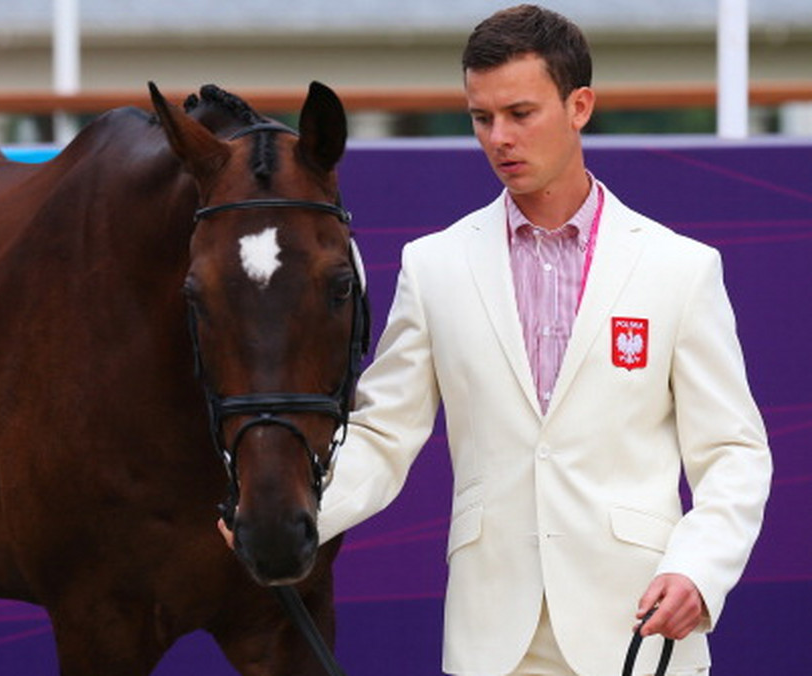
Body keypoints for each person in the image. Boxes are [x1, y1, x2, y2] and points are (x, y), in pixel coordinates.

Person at [263, 5, 771, 676]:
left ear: (580, 106)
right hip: (490, 640)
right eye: (481, 117)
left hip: (640, 635)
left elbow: (733, 453)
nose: (498, 137)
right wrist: (280, 518)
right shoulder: (434, 265)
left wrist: (700, 573)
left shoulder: (680, 268)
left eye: (520, 113)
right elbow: (383, 438)